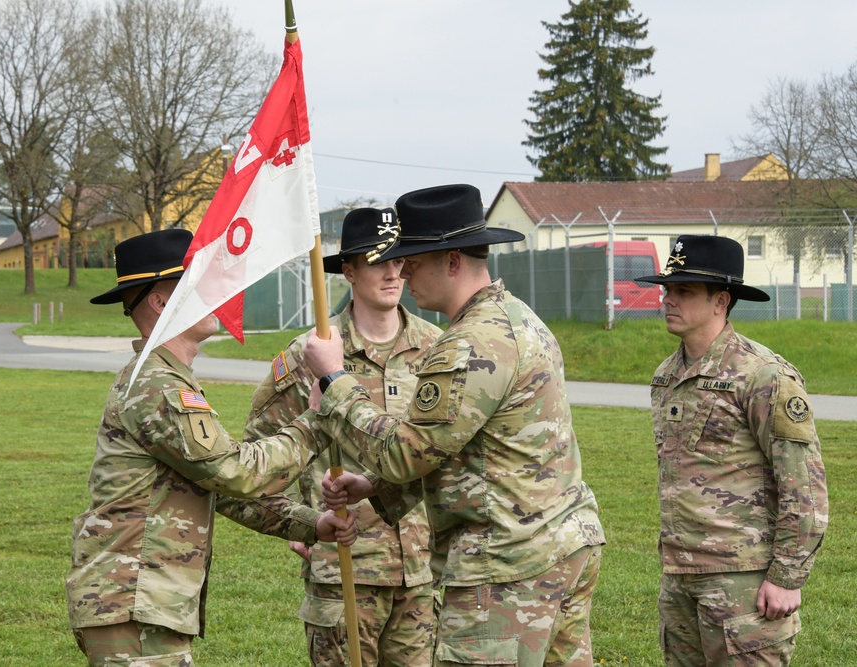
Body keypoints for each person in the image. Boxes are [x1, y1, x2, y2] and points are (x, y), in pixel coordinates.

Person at [304, 184, 607, 667]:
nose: (403, 272)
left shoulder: (469, 344)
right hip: (558, 546)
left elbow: (407, 451)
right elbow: (463, 448)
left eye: (414, 260)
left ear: (451, 261)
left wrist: (336, 385)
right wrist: (375, 486)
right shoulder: (519, 319)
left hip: (507, 562)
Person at [65, 228, 356, 667]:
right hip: (131, 600)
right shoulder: (158, 386)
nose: (215, 293)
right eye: (197, 284)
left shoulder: (167, 378)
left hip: (140, 601)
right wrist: (317, 419)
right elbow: (235, 472)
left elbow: (218, 490)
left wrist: (312, 525)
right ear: (161, 303)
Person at [239, 207, 441, 667]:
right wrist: (300, 519)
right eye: (377, 260)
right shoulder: (312, 354)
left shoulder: (437, 349)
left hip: (421, 571)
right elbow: (258, 454)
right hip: (344, 567)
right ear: (348, 270)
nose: (392, 272)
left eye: (399, 259)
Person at [634, 235, 828, 666]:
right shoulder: (667, 375)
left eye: (684, 291)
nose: (669, 299)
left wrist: (787, 577)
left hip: (744, 580)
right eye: (668, 289)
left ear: (721, 300)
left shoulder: (762, 376)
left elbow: (804, 487)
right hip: (681, 576)